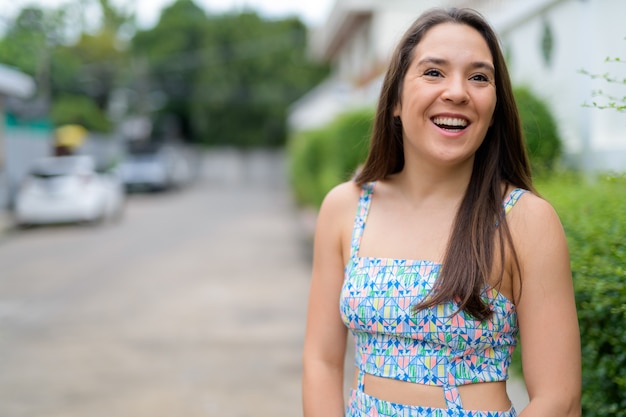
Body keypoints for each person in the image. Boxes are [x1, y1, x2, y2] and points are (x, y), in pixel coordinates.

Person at [302, 7, 581, 417]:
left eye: (479, 77)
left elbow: (560, 398)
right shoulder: (346, 208)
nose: (457, 92)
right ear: (395, 100)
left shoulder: (525, 220)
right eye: (434, 72)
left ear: (495, 109)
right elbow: (321, 361)